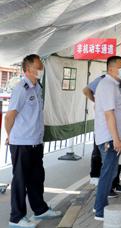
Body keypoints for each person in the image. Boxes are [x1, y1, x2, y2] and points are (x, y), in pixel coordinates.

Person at [6, 55, 62, 228]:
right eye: (38, 66)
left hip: (35, 141)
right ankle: (16, 217)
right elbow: (9, 116)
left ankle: (40, 209)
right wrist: (10, 136)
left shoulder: (37, 87)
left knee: (37, 178)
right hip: (21, 143)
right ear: (28, 69)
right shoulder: (21, 89)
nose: (41, 69)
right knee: (20, 181)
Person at [93, 56, 121, 221]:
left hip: (112, 137)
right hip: (109, 139)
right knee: (107, 173)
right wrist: (115, 139)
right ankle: (100, 209)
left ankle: (99, 205)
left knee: (111, 172)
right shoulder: (107, 85)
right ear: (111, 69)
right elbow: (109, 114)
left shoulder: (112, 85)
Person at [84, 65, 121, 196]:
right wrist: (97, 102)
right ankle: (104, 187)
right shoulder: (104, 80)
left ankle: (114, 183)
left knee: (119, 157)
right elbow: (86, 90)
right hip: (107, 125)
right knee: (104, 157)